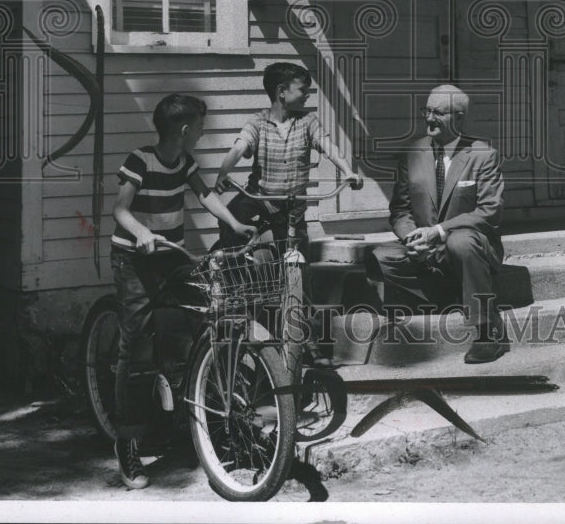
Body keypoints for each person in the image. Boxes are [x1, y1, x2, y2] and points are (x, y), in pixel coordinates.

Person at [110, 93, 255, 490]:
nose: (204, 133)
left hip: (170, 255)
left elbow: (205, 194)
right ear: (186, 130)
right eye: (202, 127)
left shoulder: (186, 162)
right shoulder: (141, 159)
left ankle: (199, 415)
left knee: (203, 318)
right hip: (135, 260)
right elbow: (120, 209)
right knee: (135, 346)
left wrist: (234, 224)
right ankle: (127, 443)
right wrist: (140, 233)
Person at [215, 62, 361, 355]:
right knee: (230, 220)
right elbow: (239, 148)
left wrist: (348, 171)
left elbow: (328, 147)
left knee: (298, 269)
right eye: (303, 89)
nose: (308, 94)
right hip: (259, 199)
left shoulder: (308, 123)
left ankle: (304, 338)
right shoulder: (257, 123)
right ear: (281, 92)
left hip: (291, 208)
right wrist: (223, 173)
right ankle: (226, 274)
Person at [366, 84, 509, 364]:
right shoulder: (413, 152)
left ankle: (486, 333)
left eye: (438, 113)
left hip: (467, 245)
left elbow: (490, 211)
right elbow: (400, 209)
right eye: (427, 110)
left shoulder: (482, 155)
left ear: (458, 118)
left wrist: (439, 231)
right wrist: (411, 239)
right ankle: (452, 293)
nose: (429, 118)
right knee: (380, 258)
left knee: (461, 241)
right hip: (426, 249)